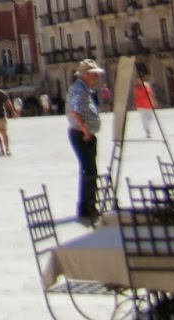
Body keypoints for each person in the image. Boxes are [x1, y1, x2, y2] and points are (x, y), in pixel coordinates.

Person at [68, 59, 104, 226]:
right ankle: (88, 207)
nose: (96, 77)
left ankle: (86, 205)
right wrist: (85, 130)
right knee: (89, 171)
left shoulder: (84, 89)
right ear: (87, 75)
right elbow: (74, 111)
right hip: (82, 135)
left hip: (83, 133)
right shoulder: (79, 90)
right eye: (94, 74)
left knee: (89, 170)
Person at [134, 73, 157, 138]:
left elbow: (151, 93)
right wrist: (136, 104)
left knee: (150, 118)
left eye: (140, 79)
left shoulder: (147, 85)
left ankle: (148, 129)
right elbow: (135, 96)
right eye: (138, 79)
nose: (139, 80)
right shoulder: (136, 87)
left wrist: (154, 101)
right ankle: (148, 131)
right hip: (141, 105)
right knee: (144, 119)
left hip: (148, 104)